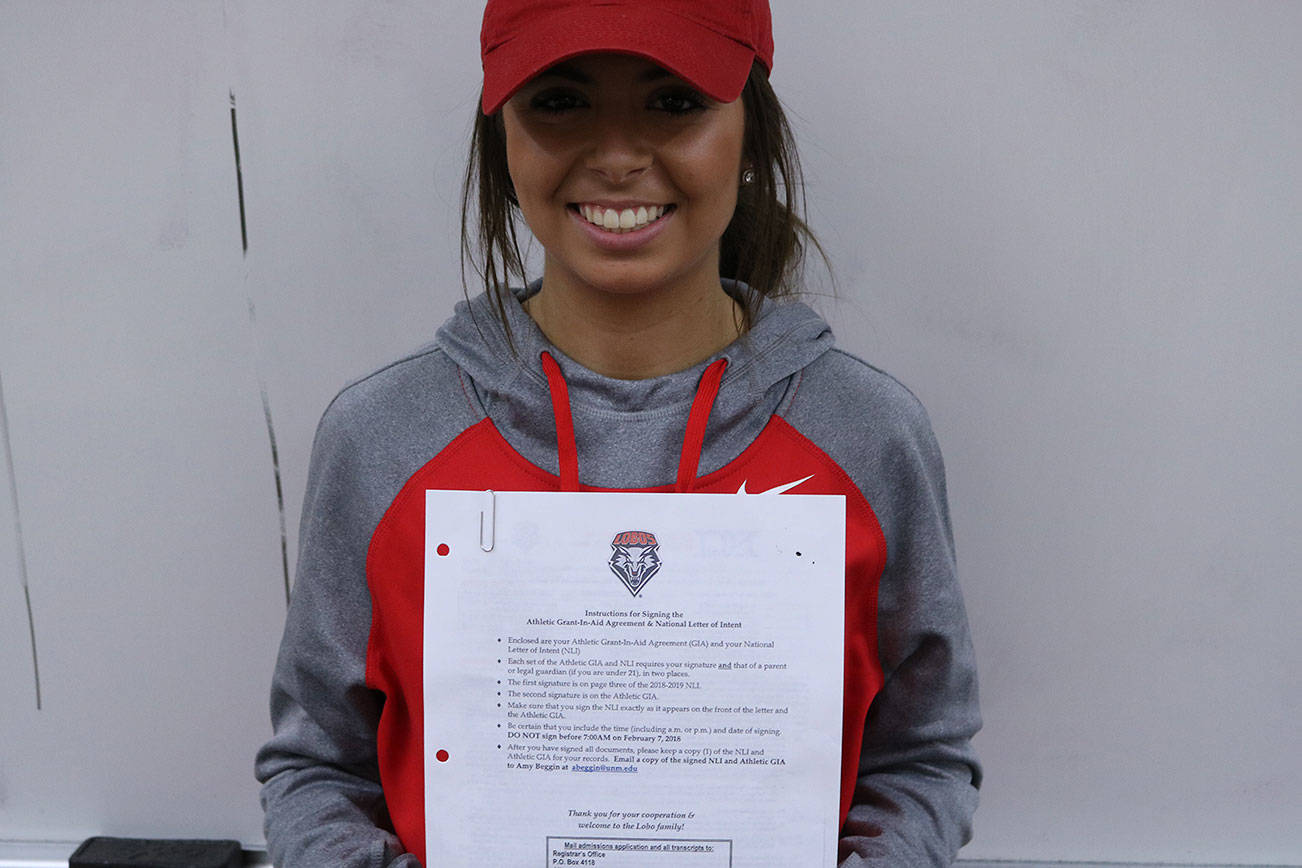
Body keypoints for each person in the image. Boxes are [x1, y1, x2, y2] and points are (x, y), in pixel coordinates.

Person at [254, 0, 982, 864]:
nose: (618, 156)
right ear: (503, 139)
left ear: (750, 130)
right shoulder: (382, 436)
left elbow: (919, 759)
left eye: (674, 103)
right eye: (560, 101)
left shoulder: (869, 436)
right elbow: (318, 767)